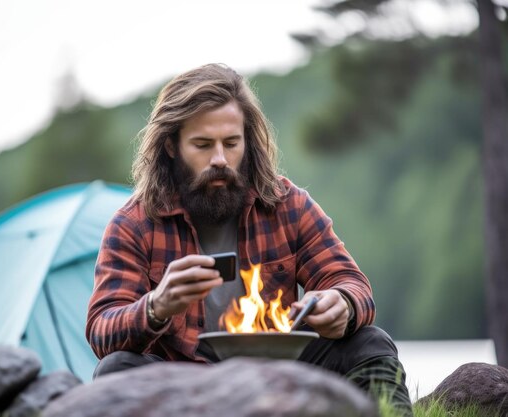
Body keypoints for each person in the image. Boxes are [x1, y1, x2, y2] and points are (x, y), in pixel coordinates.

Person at [86, 63, 412, 415]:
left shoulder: (289, 205)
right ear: (171, 146)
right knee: (115, 370)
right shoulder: (133, 224)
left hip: (282, 380)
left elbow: (350, 282)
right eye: (202, 145)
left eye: (231, 143)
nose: (220, 159)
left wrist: (343, 304)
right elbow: (103, 330)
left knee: (369, 342)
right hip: (184, 390)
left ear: (247, 141)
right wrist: (156, 306)